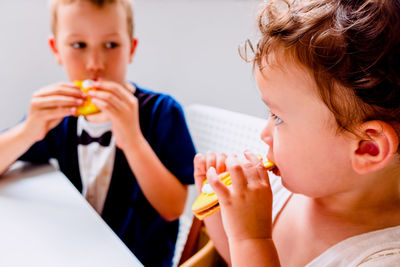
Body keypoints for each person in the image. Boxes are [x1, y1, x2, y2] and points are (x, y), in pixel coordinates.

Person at [194, 0, 400, 266]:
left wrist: (251, 240)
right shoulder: (283, 187)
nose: (264, 134)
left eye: (279, 118)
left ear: (367, 147)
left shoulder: (382, 259)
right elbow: (234, 259)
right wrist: (221, 215)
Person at [0, 0, 196, 266]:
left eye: (111, 45)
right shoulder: (59, 115)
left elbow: (173, 208)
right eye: (79, 45)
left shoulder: (162, 112)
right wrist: (28, 130)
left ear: (131, 49)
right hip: (75, 251)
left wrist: (133, 141)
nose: (95, 64)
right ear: (56, 49)